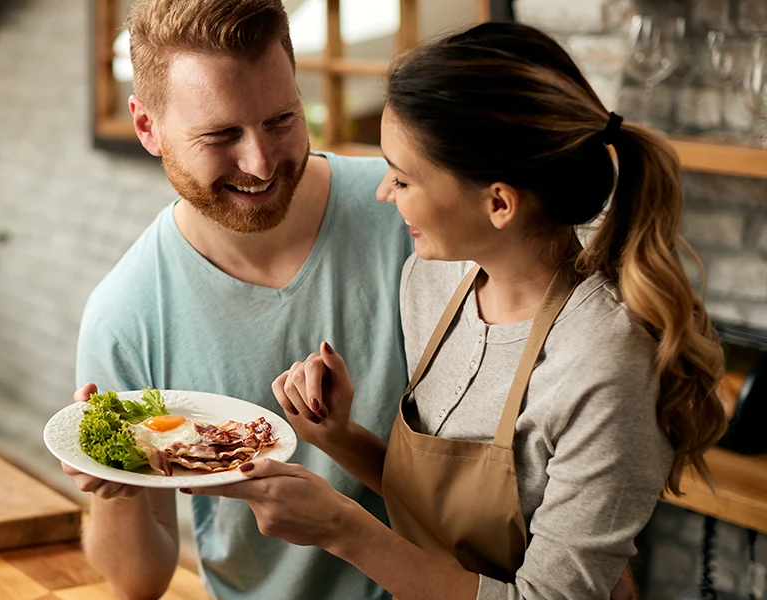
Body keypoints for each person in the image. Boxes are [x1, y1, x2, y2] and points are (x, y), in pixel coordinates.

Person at [188, 21, 729, 600]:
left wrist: (342, 528)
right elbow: (441, 510)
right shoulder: (435, 279)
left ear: (499, 202)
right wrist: (338, 436)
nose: (383, 193)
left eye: (402, 177)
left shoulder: (604, 363)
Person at [62, 0, 413, 598]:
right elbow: (138, 581)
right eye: (222, 134)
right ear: (147, 127)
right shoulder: (126, 315)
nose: (260, 162)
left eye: (281, 120)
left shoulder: (409, 215)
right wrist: (113, 476)